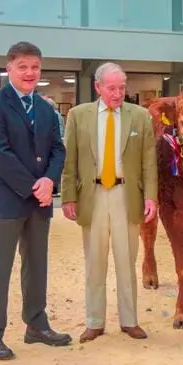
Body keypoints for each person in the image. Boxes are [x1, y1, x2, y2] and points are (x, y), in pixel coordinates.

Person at [0, 41, 71, 360]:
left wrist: (49, 180)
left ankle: (36, 324)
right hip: (6, 200)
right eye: (23, 67)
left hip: (39, 201)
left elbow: (58, 148)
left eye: (35, 67)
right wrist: (34, 185)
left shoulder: (45, 108)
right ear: (9, 69)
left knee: (37, 264)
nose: (30, 73)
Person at [61, 62, 158, 344]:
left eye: (121, 88)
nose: (117, 93)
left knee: (127, 260)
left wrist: (151, 196)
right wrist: (68, 196)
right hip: (91, 195)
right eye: (112, 88)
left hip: (126, 195)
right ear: (98, 87)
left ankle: (129, 320)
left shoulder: (140, 116)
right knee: (94, 261)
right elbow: (70, 161)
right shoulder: (79, 116)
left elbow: (148, 162)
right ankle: (94, 321)